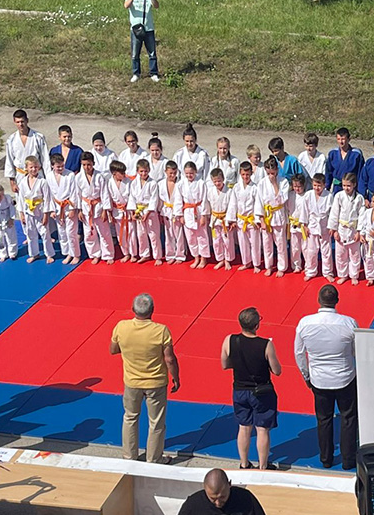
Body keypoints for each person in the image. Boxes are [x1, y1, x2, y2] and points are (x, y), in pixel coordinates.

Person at [294, 285, 359, 469]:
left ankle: (326, 459)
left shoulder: (305, 323)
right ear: (337, 301)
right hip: (345, 377)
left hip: (319, 380)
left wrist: (306, 376)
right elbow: (356, 351)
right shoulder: (349, 323)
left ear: (318, 300)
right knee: (348, 418)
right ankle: (348, 460)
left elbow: (299, 353)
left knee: (324, 419)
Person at [111, 293, 180, 463]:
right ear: (152, 310)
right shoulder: (161, 331)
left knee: (130, 417)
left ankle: (129, 457)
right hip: (156, 382)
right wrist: (176, 377)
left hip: (132, 382)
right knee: (156, 423)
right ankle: (154, 459)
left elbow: (113, 349)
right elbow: (169, 359)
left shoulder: (121, 327)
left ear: (133, 309)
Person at [221, 308, 282, 470]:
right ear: (257, 325)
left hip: (240, 390)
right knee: (262, 429)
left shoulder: (229, 340)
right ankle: (262, 466)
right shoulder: (266, 345)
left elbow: (225, 364)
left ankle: (244, 463)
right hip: (261, 391)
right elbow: (277, 370)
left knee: (243, 427)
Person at [76, 152, 115, 265]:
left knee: (104, 232)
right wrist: (79, 210)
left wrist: (105, 210)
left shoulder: (99, 176)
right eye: (84, 165)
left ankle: (108, 254)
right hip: (86, 207)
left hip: (98, 206)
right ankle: (94, 254)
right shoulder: (78, 177)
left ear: (93, 163)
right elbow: (77, 194)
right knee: (89, 233)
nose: (86, 167)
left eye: (88, 164)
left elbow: (105, 193)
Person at [255, 156, 290, 277]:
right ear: (265, 170)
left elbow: (282, 200)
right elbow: (258, 202)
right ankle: (269, 266)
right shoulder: (261, 183)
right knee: (267, 243)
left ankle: (282, 267)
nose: (271, 176)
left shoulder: (283, 182)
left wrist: (275, 184)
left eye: (273, 173)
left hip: (278, 215)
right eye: (269, 173)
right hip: (266, 216)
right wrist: (261, 219)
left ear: (277, 171)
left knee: (280, 243)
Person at [16, 156, 55, 264]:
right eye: (31, 167)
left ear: (39, 167)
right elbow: (21, 199)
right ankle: (34, 254)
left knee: (45, 233)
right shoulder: (23, 182)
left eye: (35, 167)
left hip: (41, 211)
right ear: (26, 168)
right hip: (28, 211)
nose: (33, 169)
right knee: (30, 233)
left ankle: (49, 254)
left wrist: (46, 215)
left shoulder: (43, 182)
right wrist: (21, 213)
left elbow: (47, 199)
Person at [3, 109, 50, 196]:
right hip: (20, 175)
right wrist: (12, 182)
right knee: (22, 204)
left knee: (38, 201)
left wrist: (48, 179)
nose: (20, 124)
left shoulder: (38, 137)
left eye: (22, 121)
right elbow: (9, 160)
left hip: (37, 175)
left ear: (27, 120)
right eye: (18, 122)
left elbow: (45, 159)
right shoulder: (11, 139)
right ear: (14, 122)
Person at [328, 173, 364, 285]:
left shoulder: (359, 198)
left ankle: (354, 275)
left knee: (354, 254)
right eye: (344, 185)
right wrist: (334, 230)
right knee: (340, 254)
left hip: (353, 229)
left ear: (354, 185)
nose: (346, 188)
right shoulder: (339, 196)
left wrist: (359, 231)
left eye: (348, 186)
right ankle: (343, 275)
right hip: (341, 229)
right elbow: (334, 213)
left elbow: (362, 215)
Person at [179, 469, 266, 515]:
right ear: (205, 489)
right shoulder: (193, 505)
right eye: (213, 499)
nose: (218, 503)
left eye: (222, 497)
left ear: (229, 484)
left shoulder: (246, 499)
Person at [45, 152, 81, 265]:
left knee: (71, 232)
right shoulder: (49, 176)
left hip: (68, 205)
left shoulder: (70, 175)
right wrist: (51, 210)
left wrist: (72, 208)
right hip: (57, 207)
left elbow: (74, 192)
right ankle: (67, 252)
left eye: (62, 165)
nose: (61, 168)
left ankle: (76, 254)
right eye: (58, 166)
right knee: (62, 232)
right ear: (52, 166)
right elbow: (49, 194)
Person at [124, 0, 159, 82]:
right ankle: (136, 73)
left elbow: (157, 6)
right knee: (135, 53)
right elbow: (126, 5)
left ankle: (154, 73)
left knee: (152, 53)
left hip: (148, 29)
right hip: (136, 29)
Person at [300, 173, 334, 282]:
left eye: (319, 185)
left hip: (325, 226)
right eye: (314, 185)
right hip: (312, 226)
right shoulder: (308, 195)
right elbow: (304, 211)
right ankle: (310, 271)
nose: (316, 188)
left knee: (326, 251)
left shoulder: (329, 196)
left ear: (324, 185)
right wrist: (304, 225)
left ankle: (328, 272)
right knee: (311, 251)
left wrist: (331, 226)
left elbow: (332, 213)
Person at [177, 161, 210, 268]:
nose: (189, 175)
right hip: (187, 211)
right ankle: (196, 257)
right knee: (190, 237)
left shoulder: (201, 183)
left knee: (202, 236)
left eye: (191, 173)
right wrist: (180, 215)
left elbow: (205, 199)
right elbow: (178, 200)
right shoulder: (181, 184)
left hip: (199, 211)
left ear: (195, 172)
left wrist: (204, 215)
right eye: (186, 173)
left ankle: (203, 258)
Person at [128, 159, 162, 263]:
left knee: (154, 234)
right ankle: (144, 254)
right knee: (141, 234)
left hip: (149, 211)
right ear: (137, 171)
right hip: (139, 211)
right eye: (141, 171)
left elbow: (154, 199)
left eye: (146, 171)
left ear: (149, 170)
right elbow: (131, 198)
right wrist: (133, 212)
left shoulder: (153, 183)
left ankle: (158, 256)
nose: (144, 173)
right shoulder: (134, 183)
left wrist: (148, 213)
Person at [234, 161, 262, 271]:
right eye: (243, 174)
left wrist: (257, 219)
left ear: (251, 173)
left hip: (251, 219)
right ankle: (246, 262)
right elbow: (233, 204)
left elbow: (258, 204)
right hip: (241, 219)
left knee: (255, 243)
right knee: (243, 242)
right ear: (240, 174)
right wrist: (232, 219)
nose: (245, 177)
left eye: (247, 174)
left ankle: (256, 264)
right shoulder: (236, 187)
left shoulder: (255, 187)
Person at [208, 168, 237, 271]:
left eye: (219, 181)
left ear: (223, 179)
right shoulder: (210, 191)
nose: (217, 183)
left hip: (225, 219)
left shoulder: (229, 191)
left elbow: (232, 206)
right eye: (215, 181)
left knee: (227, 240)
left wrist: (231, 220)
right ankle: (220, 259)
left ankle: (228, 260)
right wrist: (207, 216)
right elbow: (207, 204)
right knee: (216, 241)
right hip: (215, 219)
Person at [106, 160, 133, 262]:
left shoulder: (129, 182)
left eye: (124, 172)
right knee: (120, 234)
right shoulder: (109, 182)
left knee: (131, 233)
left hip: (128, 211)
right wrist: (109, 212)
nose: (124, 174)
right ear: (114, 173)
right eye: (121, 173)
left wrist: (129, 207)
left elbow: (132, 197)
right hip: (117, 211)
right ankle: (125, 253)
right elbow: (108, 198)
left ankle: (133, 253)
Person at [158, 161, 184, 265]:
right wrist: (160, 212)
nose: (172, 175)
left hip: (177, 211)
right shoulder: (160, 184)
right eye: (170, 173)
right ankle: (170, 254)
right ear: (165, 172)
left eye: (174, 173)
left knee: (179, 234)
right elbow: (159, 200)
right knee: (168, 234)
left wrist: (181, 213)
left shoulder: (181, 183)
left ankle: (180, 255)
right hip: (166, 211)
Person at [325, 127, 364, 195]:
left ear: (348, 139)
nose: (341, 142)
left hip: (351, 188)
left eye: (343, 139)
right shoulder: (332, 153)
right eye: (338, 139)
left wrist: (359, 191)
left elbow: (360, 174)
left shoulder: (356, 154)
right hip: (337, 187)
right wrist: (326, 187)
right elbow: (328, 172)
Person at [286, 174, 307, 274]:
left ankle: (308, 266)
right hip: (293, 223)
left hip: (303, 225)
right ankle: (296, 265)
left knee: (305, 247)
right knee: (294, 247)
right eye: (295, 186)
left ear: (304, 185)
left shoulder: (307, 196)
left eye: (299, 186)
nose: (297, 188)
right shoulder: (290, 195)